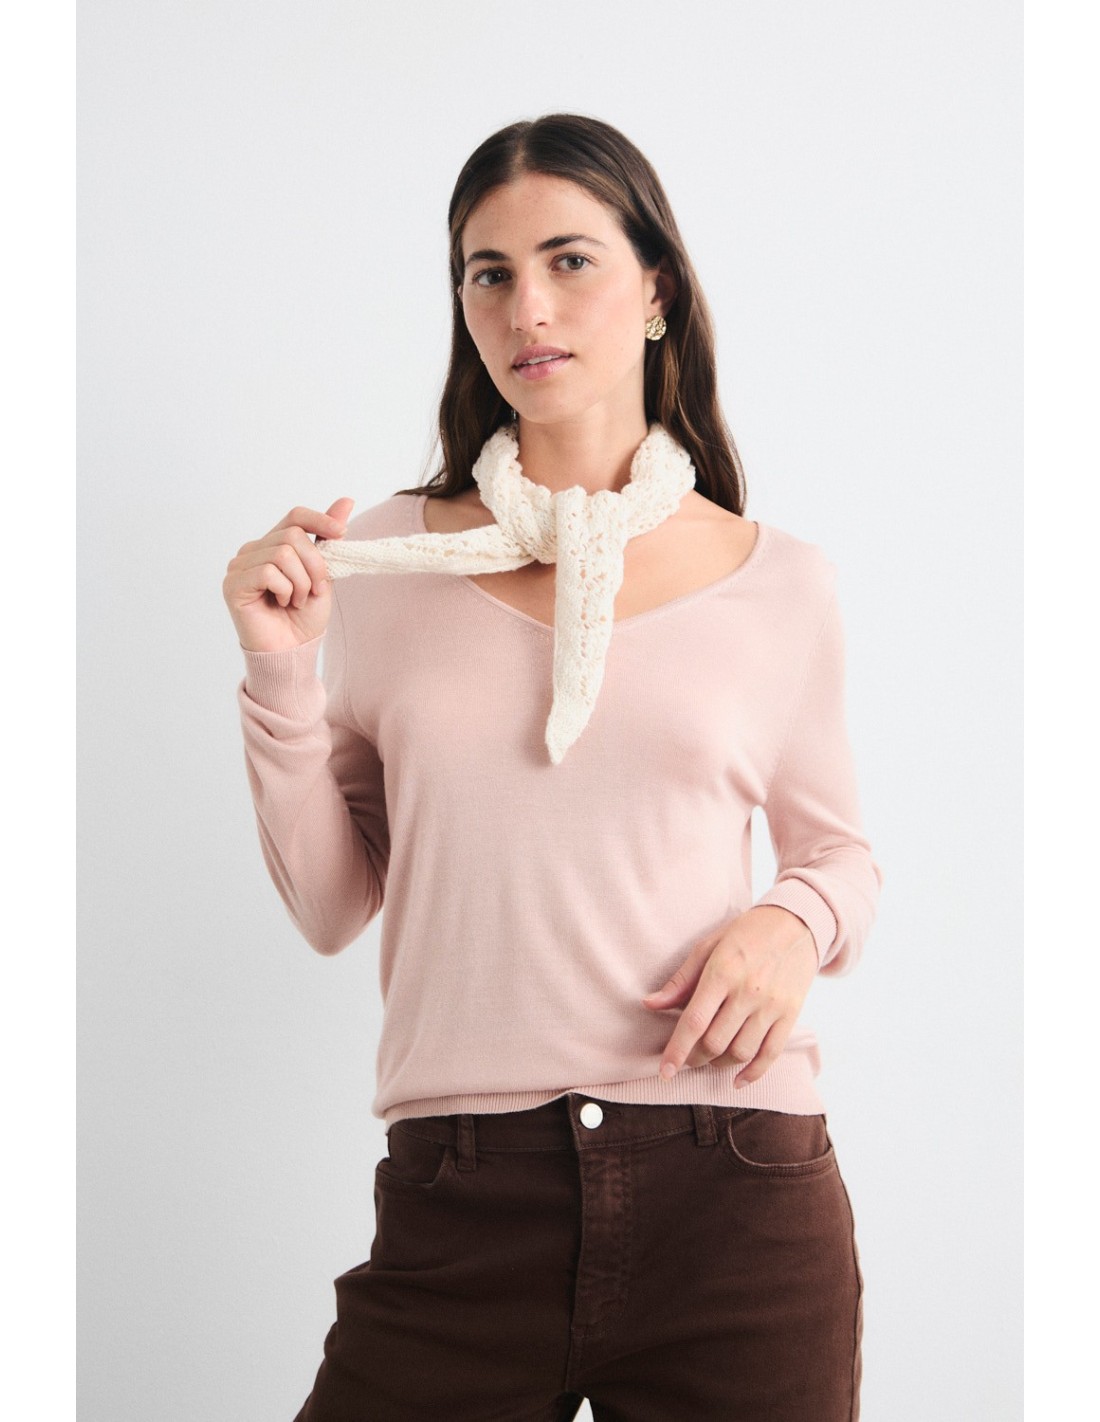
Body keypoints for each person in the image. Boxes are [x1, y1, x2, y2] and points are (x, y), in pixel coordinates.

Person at [223, 112, 884, 1422]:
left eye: (570, 260)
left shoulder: (779, 581)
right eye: (490, 272)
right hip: (462, 1197)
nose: (527, 306)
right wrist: (281, 672)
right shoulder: (384, 564)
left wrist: (790, 922)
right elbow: (333, 904)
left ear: (657, 290)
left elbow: (839, 856)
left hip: (735, 1190)